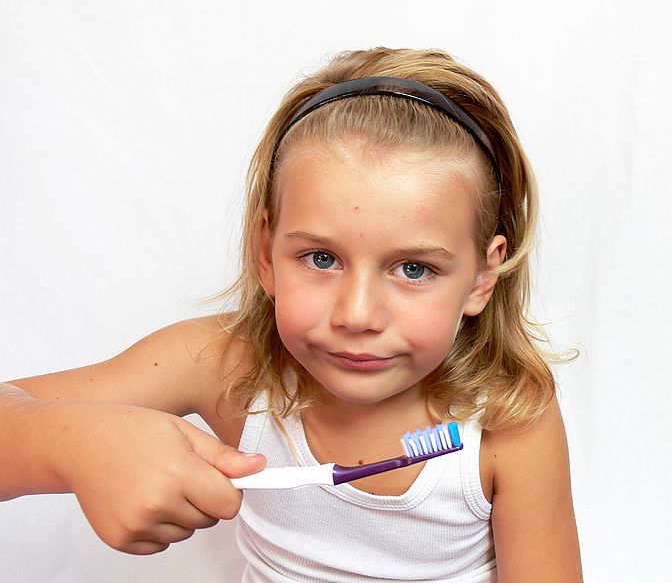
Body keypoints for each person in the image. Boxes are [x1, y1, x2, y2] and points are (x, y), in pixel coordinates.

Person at [0, 47, 582, 582]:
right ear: (266, 255)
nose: (357, 315)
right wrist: (74, 445)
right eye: (322, 258)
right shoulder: (226, 368)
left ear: (483, 276)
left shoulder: (509, 418)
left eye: (413, 269)